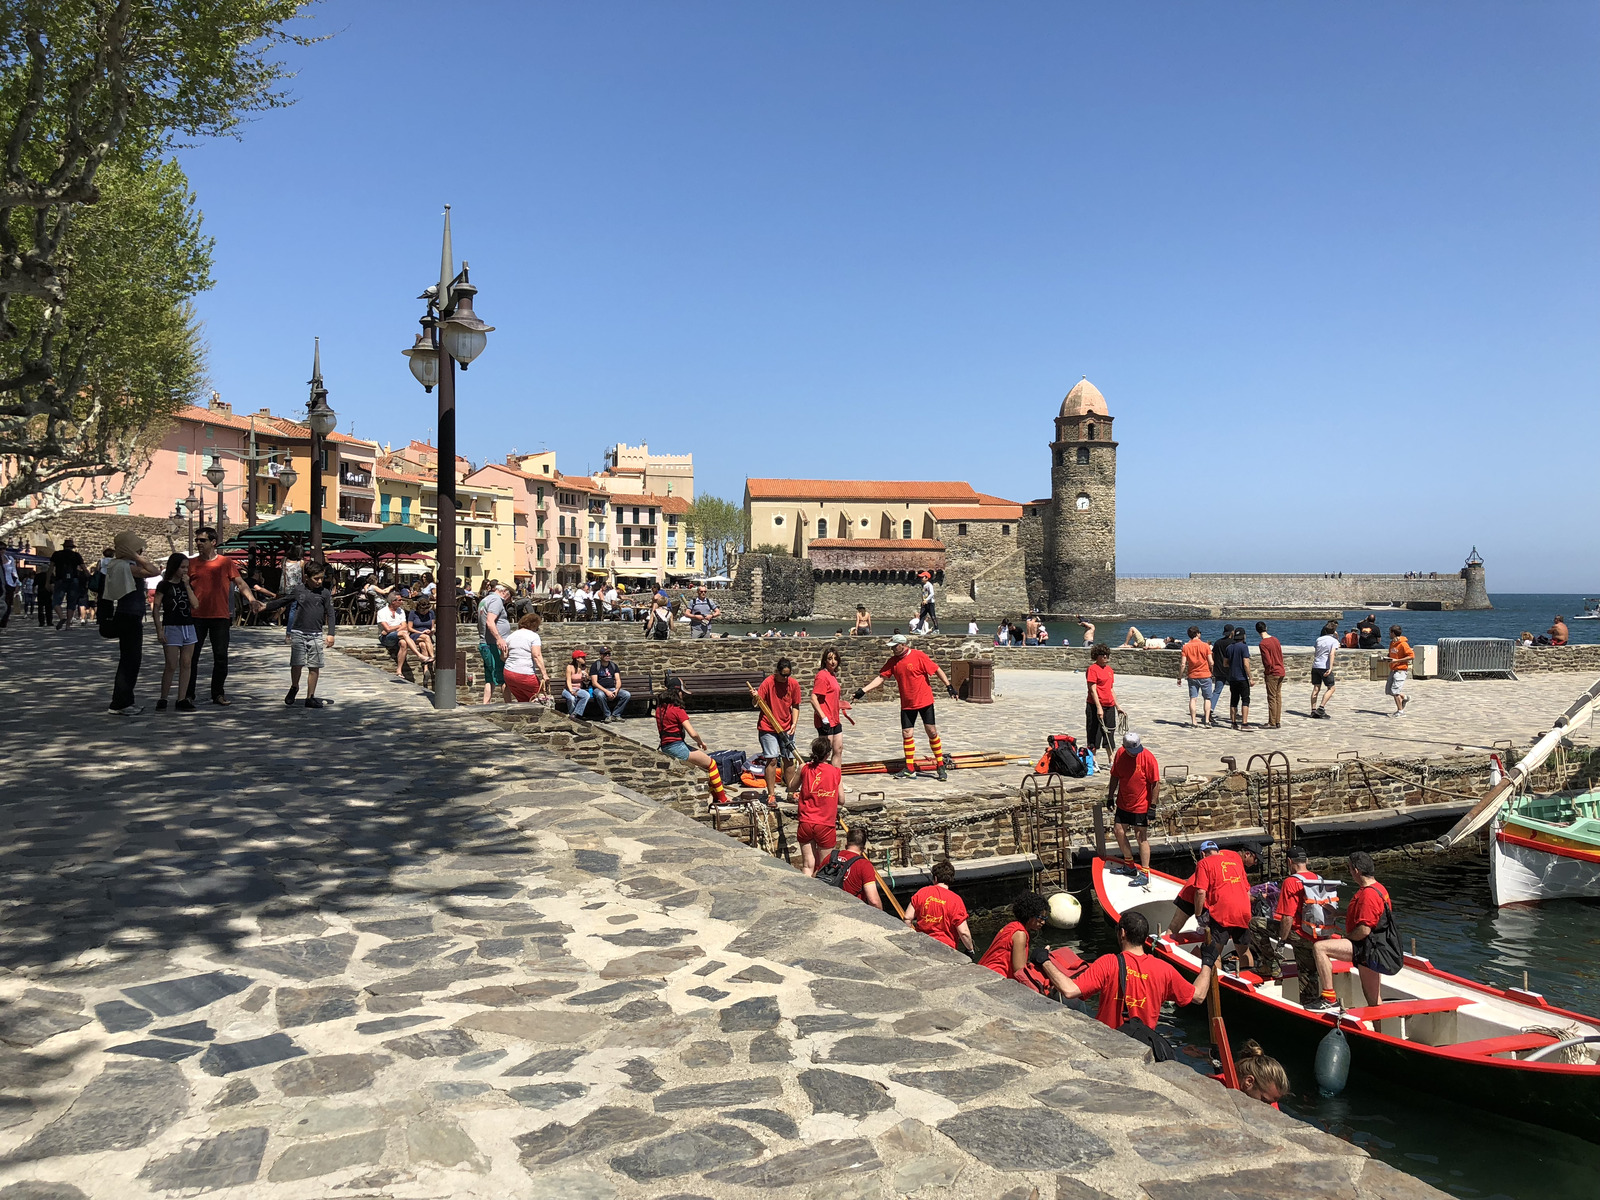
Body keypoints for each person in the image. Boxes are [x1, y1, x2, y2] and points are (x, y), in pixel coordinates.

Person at [1057, 911, 1198, 1035]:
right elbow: (1198, 996)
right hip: (1142, 1045)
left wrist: (1045, 962)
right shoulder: (1165, 970)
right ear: (1145, 937)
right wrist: (1208, 964)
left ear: (1122, 933)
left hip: (1107, 1042)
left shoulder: (1108, 963)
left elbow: (1070, 991)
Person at [853, 633, 958, 781]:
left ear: (903, 645)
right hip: (907, 704)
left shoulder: (918, 656)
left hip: (925, 701)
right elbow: (881, 678)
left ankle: (940, 765)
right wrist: (862, 691)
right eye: (892, 647)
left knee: (932, 732)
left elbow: (937, 669)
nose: (893, 650)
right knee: (907, 734)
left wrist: (949, 687)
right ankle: (909, 768)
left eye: (895, 647)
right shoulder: (893, 662)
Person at [1172, 839, 1262, 1004]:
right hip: (1242, 911)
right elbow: (1245, 890)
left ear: (1202, 854)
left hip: (1221, 910)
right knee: (1243, 949)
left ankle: (1217, 989)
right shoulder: (1234, 862)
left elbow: (1200, 892)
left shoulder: (1205, 863)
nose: (1255, 863)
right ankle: (1246, 979)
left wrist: (1199, 916)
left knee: (1214, 952)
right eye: (1255, 860)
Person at [184, 527, 263, 706]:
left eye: (202, 540)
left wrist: (252, 600)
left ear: (213, 543)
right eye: (197, 540)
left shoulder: (225, 562)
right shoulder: (191, 564)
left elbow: (240, 583)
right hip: (196, 616)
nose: (198, 543)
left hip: (220, 616)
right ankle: (188, 694)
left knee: (220, 656)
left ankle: (218, 693)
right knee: (192, 657)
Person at [1311, 851, 1396, 1010]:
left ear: (1356, 870)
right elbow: (1369, 915)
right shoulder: (1379, 889)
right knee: (1373, 999)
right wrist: (1339, 913)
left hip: (1366, 948)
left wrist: (1346, 937)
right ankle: (1378, 1031)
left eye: (1349, 869)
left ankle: (1328, 997)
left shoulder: (1368, 895)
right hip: (1376, 947)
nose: (1350, 872)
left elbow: (1364, 930)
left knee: (1320, 948)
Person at [255, 559, 338, 708]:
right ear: (306, 577)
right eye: (316, 578)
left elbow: (330, 613)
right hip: (299, 632)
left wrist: (331, 633)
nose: (319, 581)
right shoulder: (299, 590)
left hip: (316, 634)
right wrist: (266, 606)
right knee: (297, 663)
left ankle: (310, 696)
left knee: (314, 666)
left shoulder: (325, 593)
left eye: (321, 578)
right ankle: (294, 686)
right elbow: (284, 601)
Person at [1271, 845, 1340, 1006]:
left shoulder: (1290, 882)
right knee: (1308, 971)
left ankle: (1269, 966)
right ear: (1307, 861)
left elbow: (1287, 917)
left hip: (1300, 934)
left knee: (1255, 924)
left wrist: (1281, 942)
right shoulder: (1320, 879)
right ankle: (1311, 1003)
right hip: (1320, 935)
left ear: (1289, 861)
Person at [100, 533, 159, 715]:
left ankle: (126, 700)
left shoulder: (117, 564)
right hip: (129, 616)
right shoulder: (126, 566)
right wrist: (135, 556)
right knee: (130, 661)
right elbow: (154, 571)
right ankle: (120, 703)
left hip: (127, 614)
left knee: (130, 660)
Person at [977, 892, 1074, 994]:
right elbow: (1020, 972)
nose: (1043, 922)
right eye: (1041, 918)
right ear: (1029, 915)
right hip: (995, 981)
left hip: (987, 975)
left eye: (1045, 918)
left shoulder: (1012, 926)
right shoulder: (1020, 934)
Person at [654, 684, 730, 804]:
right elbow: (692, 733)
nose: (683, 696)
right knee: (711, 764)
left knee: (703, 766)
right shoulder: (677, 710)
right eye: (682, 693)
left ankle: (716, 796)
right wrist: (700, 742)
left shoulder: (659, 709)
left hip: (665, 746)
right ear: (677, 693)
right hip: (677, 747)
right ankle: (723, 798)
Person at [1107, 731, 1159, 879]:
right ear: (1124, 747)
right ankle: (1129, 864)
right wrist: (1110, 797)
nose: (1135, 754)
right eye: (1131, 751)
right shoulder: (1120, 754)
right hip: (1124, 802)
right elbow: (1115, 775)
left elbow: (1155, 783)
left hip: (1141, 804)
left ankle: (1145, 872)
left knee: (1140, 836)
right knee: (1118, 831)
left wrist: (1153, 807)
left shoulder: (1147, 757)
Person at [751, 657, 802, 808]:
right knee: (772, 759)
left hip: (786, 726)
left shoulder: (793, 684)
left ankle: (792, 792)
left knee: (788, 759)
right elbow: (756, 703)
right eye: (783, 675)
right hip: (768, 726)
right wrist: (754, 697)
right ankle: (771, 795)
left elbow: (796, 706)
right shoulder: (768, 683)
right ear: (777, 672)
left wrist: (794, 723)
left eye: (788, 675)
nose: (786, 678)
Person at [153, 552, 199, 712]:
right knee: (171, 664)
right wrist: (159, 629)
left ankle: (182, 698)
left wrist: (187, 586)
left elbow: (195, 604)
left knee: (186, 663)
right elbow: (157, 607)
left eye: (187, 567)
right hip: (172, 626)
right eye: (182, 567)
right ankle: (163, 697)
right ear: (174, 567)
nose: (185, 571)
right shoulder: (164, 585)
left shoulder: (187, 585)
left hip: (188, 626)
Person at [795, 735, 843, 877]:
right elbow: (841, 799)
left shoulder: (805, 768)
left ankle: (806, 893)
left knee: (807, 865)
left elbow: (791, 786)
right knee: (823, 866)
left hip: (806, 821)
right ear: (828, 754)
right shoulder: (835, 772)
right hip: (825, 823)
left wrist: (800, 771)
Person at [905, 860, 974, 954]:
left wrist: (909, 940)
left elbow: (907, 918)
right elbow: (963, 932)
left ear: (935, 878)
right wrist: (970, 949)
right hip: (946, 948)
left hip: (922, 944)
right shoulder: (955, 900)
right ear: (951, 879)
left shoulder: (922, 892)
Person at [817, 825, 881, 909]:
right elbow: (874, 901)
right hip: (852, 910)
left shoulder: (832, 856)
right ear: (863, 847)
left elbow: (815, 876)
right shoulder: (864, 865)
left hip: (828, 905)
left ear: (846, 843)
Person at [810, 647, 846, 767]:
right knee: (824, 753)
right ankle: (823, 779)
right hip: (826, 720)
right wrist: (823, 717)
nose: (833, 662)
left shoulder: (832, 675)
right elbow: (813, 698)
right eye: (830, 658)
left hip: (835, 719)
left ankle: (836, 779)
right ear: (825, 660)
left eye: (835, 659)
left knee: (838, 749)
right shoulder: (822, 676)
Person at [477, 582, 512, 703]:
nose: (510, 600)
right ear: (505, 592)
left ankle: (485, 705)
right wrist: (499, 639)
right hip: (494, 645)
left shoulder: (485, 600)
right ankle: (509, 705)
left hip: (486, 643)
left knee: (490, 678)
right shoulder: (496, 601)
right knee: (503, 677)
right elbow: (490, 621)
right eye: (510, 595)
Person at [500, 612, 546, 703]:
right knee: (541, 699)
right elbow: (536, 655)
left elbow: (504, 657)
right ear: (534, 625)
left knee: (523, 701)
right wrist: (544, 674)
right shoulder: (534, 636)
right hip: (525, 673)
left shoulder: (510, 636)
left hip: (509, 673)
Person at [1085, 643, 1117, 757]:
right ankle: (1092, 760)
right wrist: (1099, 708)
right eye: (1102, 654)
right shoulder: (1092, 669)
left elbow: (1111, 689)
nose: (1105, 657)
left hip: (1109, 705)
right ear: (1096, 656)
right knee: (1094, 733)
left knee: (1110, 733)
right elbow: (1092, 689)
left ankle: (1111, 759)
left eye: (1107, 654)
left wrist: (1118, 706)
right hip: (1095, 705)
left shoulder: (1109, 670)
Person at [1233, 1039, 1289, 1105]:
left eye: (1270, 1103)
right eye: (1264, 1100)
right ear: (1249, 1081)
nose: (1268, 1108)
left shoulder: (1269, 1097)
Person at [1179, 625, 1214, 727]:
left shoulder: (1186, 647)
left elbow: (1183, 664)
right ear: (1198, 634)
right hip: (1205, 674)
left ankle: (1194, 721)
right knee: (1207, 698)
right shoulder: (1205, 646)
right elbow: (1211, 662)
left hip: (1192, 675)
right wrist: (1212, 671)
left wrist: (1179, 677)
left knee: (1193, 698)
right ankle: (1207, 720)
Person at [1254, 622, 1286, 729]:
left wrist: (1267, 671)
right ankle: (1277, 720)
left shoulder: (1263, 644)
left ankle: (1272, 722)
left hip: (1272, 672)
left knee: (1272, 697)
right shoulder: (1275, 640)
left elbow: (1267, 661)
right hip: (1280, 670)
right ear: (1266, 628)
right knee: (1278, 696)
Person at [49, 537, 85, 629]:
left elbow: (50, 569)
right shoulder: (76, 555)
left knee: (56, 601)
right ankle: (68, 625)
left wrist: (47, 581)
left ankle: (62, 617)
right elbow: (84, 568)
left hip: (60, 579)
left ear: (64, 546)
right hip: (74, 580)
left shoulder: (56, 554)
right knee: (71, 603)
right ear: (72, 547)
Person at [589, 645, 631, 720]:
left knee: (626, 694)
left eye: (609, 654)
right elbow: (594, 683)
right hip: (600, 689)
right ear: (601, 655)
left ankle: (616, 714)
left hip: (612, 688)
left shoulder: (613, 665)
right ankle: (607, 715)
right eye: (605, 654)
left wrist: (616, 690)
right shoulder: (595, 666)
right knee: (600, 695)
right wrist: (606, 691)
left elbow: (618, 680)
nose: (607, 656)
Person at [1309, 619, 1339, 719]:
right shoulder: (1334, 641)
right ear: (1334, 631)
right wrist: (1330, 668)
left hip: (1316, 666)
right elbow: (1332, 653)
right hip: (1324, 667)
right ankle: (1321, 708)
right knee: (1331, 688)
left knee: (1316, 688)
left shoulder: (1319, 639)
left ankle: (1313, 710)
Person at [1225, 627, 1253, 730]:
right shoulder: (1244, 647)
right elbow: (1246, 663)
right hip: (1242, 677)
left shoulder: (1229, 648)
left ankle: (1233, 723)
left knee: (1234, 700)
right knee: (1245, 699)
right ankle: (1244, 723)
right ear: (1243, 636)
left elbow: (1225, 663)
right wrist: (1250, 677)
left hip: (1232, 678)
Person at [376, 592, 408, 676]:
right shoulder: (382, 612)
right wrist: (398, 626)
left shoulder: (401, 611)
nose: (402, 602)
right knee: (404, 633)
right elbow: (387, 629)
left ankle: (399, 670)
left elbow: (405, 626)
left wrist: (393, 629)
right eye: (400, 600)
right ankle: (419, 655)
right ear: (393, 601)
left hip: (397, 635)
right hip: (385, 637)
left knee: (403, 643)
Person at [404, 597, 437, 675]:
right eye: (423, 610)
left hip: (426, 634)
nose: (425, 612)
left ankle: (425, 669)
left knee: (423, 645)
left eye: (426, 610)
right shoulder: (413, 613)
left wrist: (432, 630)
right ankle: (433, 658)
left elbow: (432, 626)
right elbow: (409, 628)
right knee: (426, 638)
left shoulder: (431, 613)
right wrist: (421, 632)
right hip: (415, 633)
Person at [1386, 624, 1413, 715]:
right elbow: (1391, 654)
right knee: (1389, 690)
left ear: (1393, 633)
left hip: (1401, 670)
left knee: (1395, 691)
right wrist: (1388, 658)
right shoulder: (1392, 643)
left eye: (1390, 632)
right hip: (1393, 669)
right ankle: (1404, 697)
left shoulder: (1403, 644)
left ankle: (1400, 711)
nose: (1389, 634)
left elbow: (1411, 656)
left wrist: (1397, 660)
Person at [562, 648, 593, 718]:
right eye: (583, 657)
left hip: (578, 689)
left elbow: (586, 681)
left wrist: (586, 677)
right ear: (577, 658)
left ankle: (575, 714)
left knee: (586, 695)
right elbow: (568, 680)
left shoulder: (584, 668)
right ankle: (572, 714)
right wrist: (571, 691)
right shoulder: (569, 667)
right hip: (568, 689)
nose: (585, 658)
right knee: (572, 699)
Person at [0, 544, 18, 628]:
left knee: (8, 604)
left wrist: (18, 583)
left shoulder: (10, 559)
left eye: (4, 548)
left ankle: (4, 622)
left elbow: (14, 571)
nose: (2, 550)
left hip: (10, 583)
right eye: (0, 549)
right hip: (1, 583)